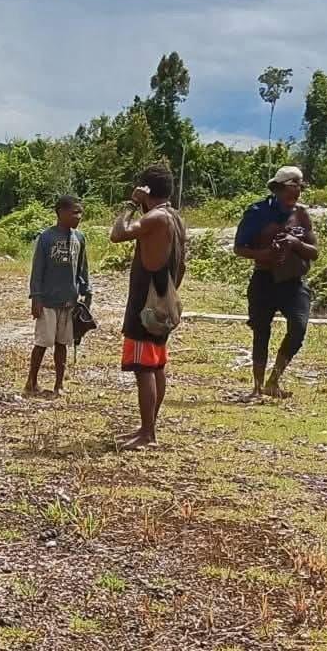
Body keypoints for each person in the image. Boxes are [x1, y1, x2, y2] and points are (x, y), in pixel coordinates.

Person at [110, 166, 186, 451]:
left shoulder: (154, 217)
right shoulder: (175, 218)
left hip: (145, 302)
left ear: (146, 190)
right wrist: (169, 292)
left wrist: (131, 203)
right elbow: (183, 263)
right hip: (164, 297)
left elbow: (117, 234)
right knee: (156, 365)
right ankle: (147, 425)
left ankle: (148, 434)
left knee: (144, 368)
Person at [234, 166, 319, 398]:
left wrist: (295, 243)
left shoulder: (301, 214)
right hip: (264, 280)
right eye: (292, 189)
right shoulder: (257, 212)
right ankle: (258, 386)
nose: (296, 194)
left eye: (299, 189)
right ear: (279, 189)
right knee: (261, 332)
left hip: (293, 283)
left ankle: (275, 380)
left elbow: (314, 252)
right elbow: (239, 248)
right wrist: (264, 254)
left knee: (298, 328)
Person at [25, 195, 91, 397]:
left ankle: (59, 385)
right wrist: (36, 298)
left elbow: (82, 268)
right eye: (74, 212)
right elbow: (37, 270)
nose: (78, 216)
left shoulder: (79, 238)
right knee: (43, 342)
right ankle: (31, 382)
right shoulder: (46, 238)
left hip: (69, 300)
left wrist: (86, 292)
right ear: (60, 212)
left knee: (63, 343)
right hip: (48, 300)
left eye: (80, 212)